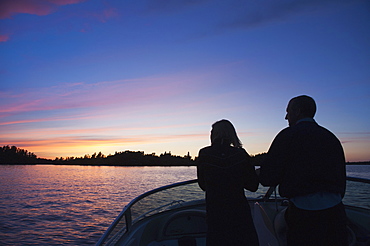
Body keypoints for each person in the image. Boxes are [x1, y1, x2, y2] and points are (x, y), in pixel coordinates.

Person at [259, 95, 347, 246]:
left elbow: (268, 177)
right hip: (336, 212)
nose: (286, 116)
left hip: (303, 215)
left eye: (288, 112)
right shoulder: (331, 137)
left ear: (297, 111)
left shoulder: (287, 136)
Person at [197, 119, 259, 246]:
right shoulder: (240, 154)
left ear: (214, 135)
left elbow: (203, 185)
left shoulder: (204, 154)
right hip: (238, 211)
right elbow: (253, 186)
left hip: (215, 211)